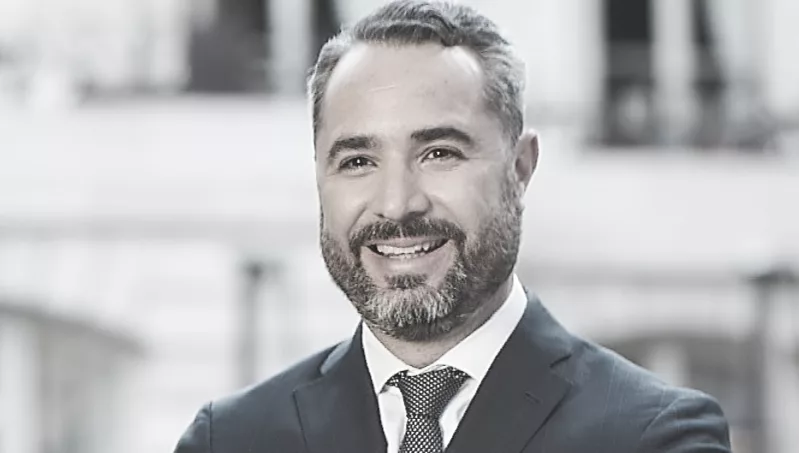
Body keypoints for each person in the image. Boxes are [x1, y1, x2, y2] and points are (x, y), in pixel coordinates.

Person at [174, 1, 732, 452]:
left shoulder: (654, 437)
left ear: (520, 168)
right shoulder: (229, 441)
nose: (396, 205)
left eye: (439, 153)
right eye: (358, 161)